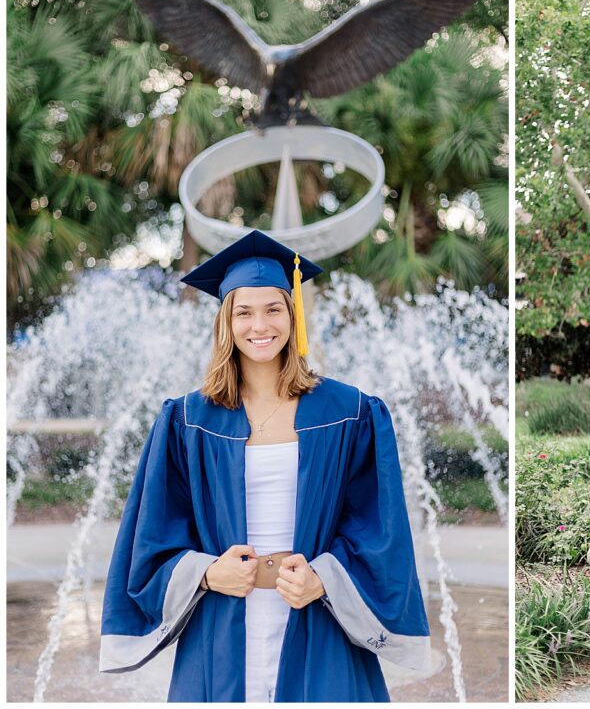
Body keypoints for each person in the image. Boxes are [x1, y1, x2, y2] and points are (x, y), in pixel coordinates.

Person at [99, 230, 430, 701]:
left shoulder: (349, 411)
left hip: (318, 615)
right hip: (221, 624)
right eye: (244, 312)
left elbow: (379, 528)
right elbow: (152, 536)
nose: (260, 325)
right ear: (226, 322)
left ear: (293, 315)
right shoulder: (187, 419)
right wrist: (210, 573)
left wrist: (323, 578)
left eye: (274, 308)